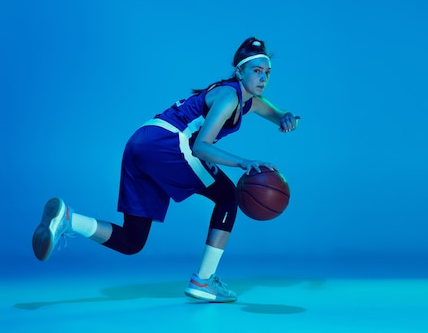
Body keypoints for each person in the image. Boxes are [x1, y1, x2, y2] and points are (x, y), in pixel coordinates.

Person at [32, 37, 299, 303]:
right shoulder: (230, 96)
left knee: (132, 241)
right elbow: (202, 148)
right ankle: (203, 281)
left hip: (141, 142)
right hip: (168, 143)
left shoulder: (248, 100)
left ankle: (68, 219)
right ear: (239, 71)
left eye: (267, 73)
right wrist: (243, 162)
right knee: (229, 196)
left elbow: (274, 111)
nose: (263, 77)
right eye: (256, 70)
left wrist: (285, 116)